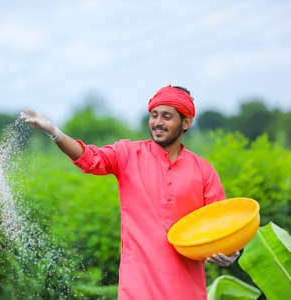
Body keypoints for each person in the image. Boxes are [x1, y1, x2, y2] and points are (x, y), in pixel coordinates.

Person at [21, 85, 240, 300]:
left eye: (166, 116)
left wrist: (230, 254)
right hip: (137, 289)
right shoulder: (128, 154)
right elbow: (89, 158)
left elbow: (219, 226)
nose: (157, 123)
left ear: (186, 122)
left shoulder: (203, 171)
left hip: (186, 290)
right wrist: (55, 133)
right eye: (154, 115)